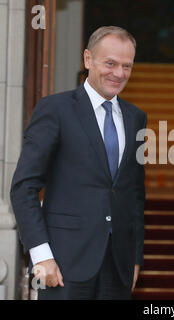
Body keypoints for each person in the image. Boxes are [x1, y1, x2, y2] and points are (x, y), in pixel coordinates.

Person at [10, 26, 146, 300]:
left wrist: (134, 258)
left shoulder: (136, 118)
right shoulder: (55, 109)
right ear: (87, 59)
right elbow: (23, 187)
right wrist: (41, 254)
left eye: (127, 66)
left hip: (117, 267)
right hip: (62, 265)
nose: (119, 74)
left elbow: (135, 194)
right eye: (110, 63)